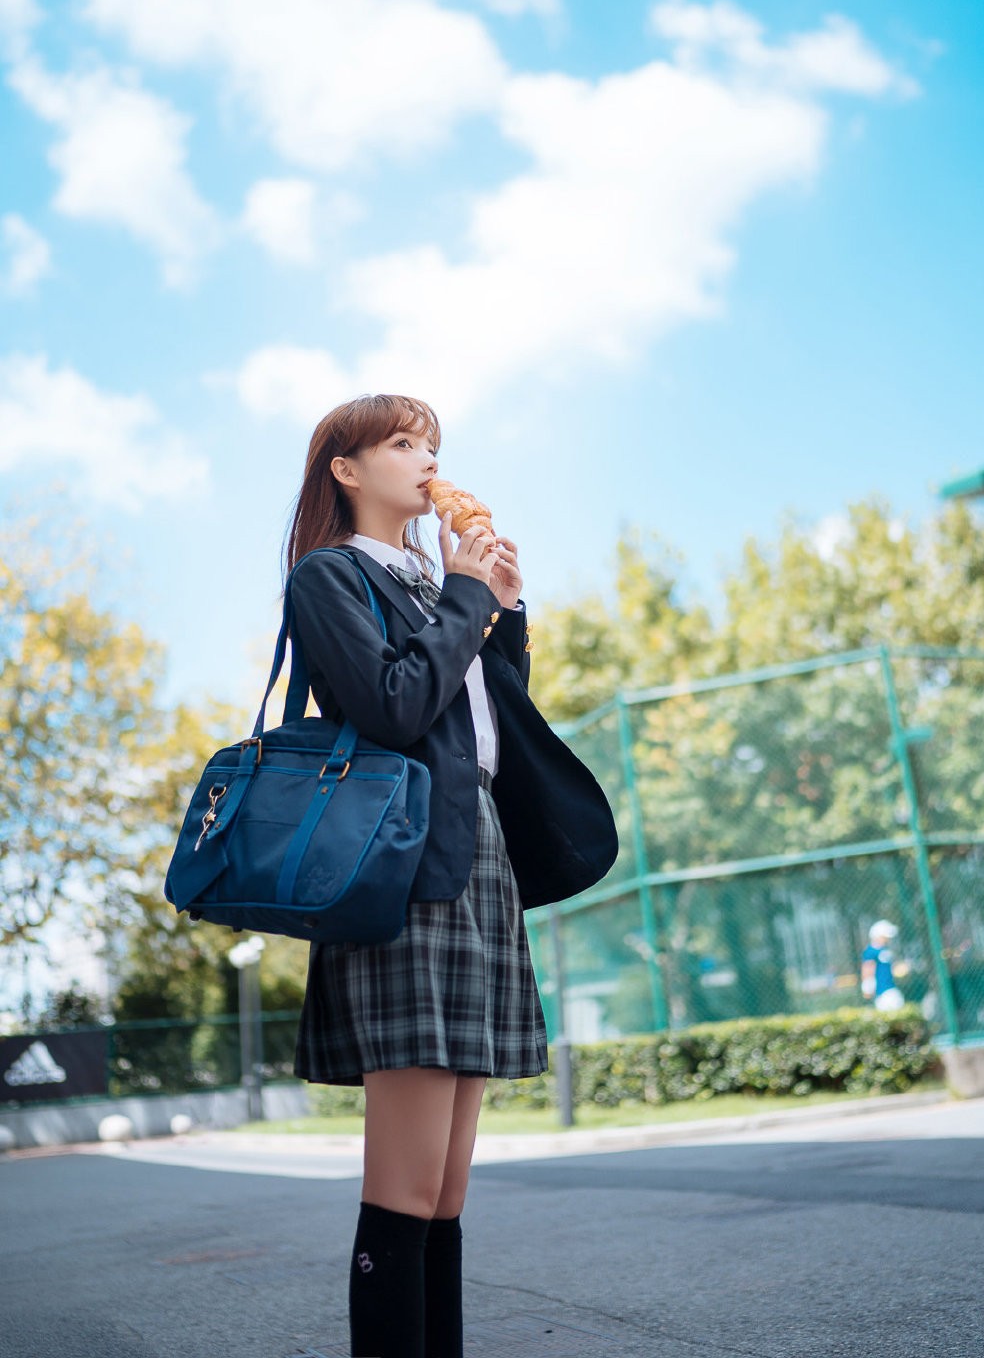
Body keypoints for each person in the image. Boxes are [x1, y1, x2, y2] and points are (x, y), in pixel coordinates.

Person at [282, 393, 617, 1358]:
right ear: (346, 470)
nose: (425, 459)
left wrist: (498, 612)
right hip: (403, 864)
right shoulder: (328, 577)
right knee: (403, 1185)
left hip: (479, 855)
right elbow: (393, 709)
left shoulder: (439, 584)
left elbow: (485, 725)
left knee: (447, 1190)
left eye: (432, 444)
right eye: (400, 443)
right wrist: (468, 598)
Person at [861, 919, 905, 1012]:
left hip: (890, 987)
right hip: (882, 991)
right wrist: (867, 988)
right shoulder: (871, 951)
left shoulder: (884, 949)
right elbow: (868, 969)